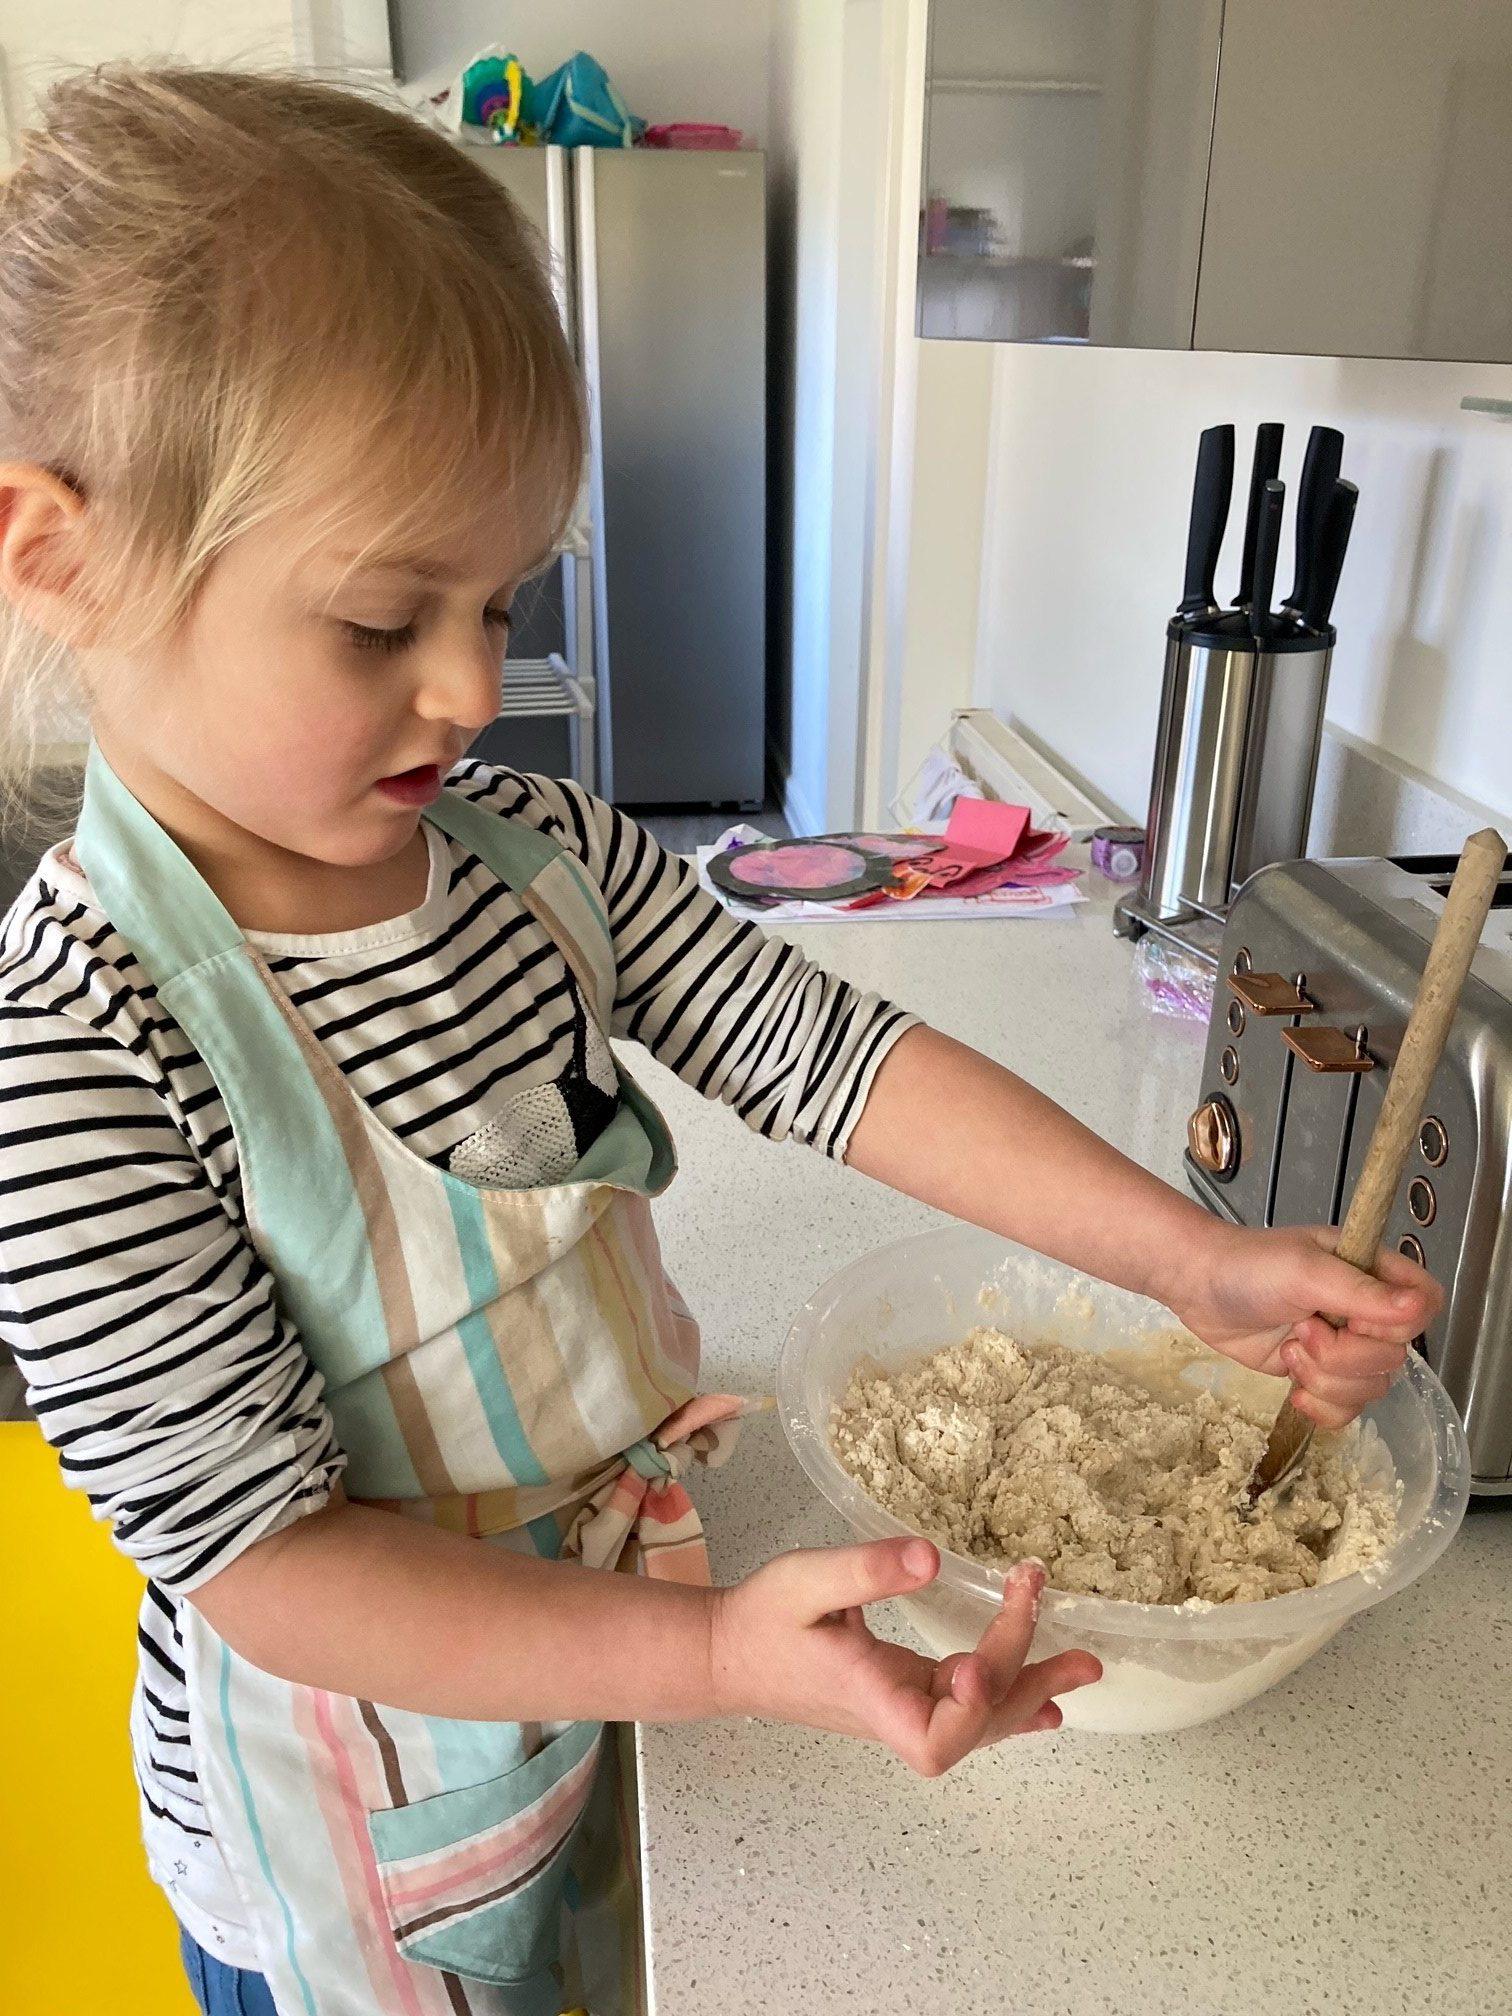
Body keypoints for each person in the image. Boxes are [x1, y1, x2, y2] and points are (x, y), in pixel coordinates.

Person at [0, 65, 1438, 2016]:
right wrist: (711, 1665)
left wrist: (1186, 1261)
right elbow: (272, 1566)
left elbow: (828, 1054)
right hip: (372, 1804)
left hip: (639, 1643)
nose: (470, 686)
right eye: (374, 620)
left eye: (501, 594)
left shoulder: (534, 858)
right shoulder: (74, 1056)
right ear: (58, 552)